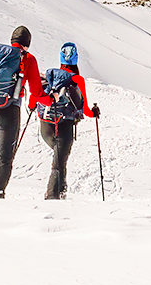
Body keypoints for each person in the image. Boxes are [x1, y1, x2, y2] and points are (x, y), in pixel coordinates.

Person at [0, 25, 43, 199]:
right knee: (6, 153)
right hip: (9, 110)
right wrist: (50, 100)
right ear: (27, 44)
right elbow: (36, 91)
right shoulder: (28, 59)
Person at [31, 41, 100, 200]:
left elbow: (34, 99)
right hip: (64, 125)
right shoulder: (77, 79)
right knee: (59, 163)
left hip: (45, 126)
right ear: (75, 59)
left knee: (59, 161)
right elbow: (84, 109)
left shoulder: (50, 76)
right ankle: (53, 199)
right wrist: (94, 113)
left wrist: (32, 107)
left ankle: (61, 193)